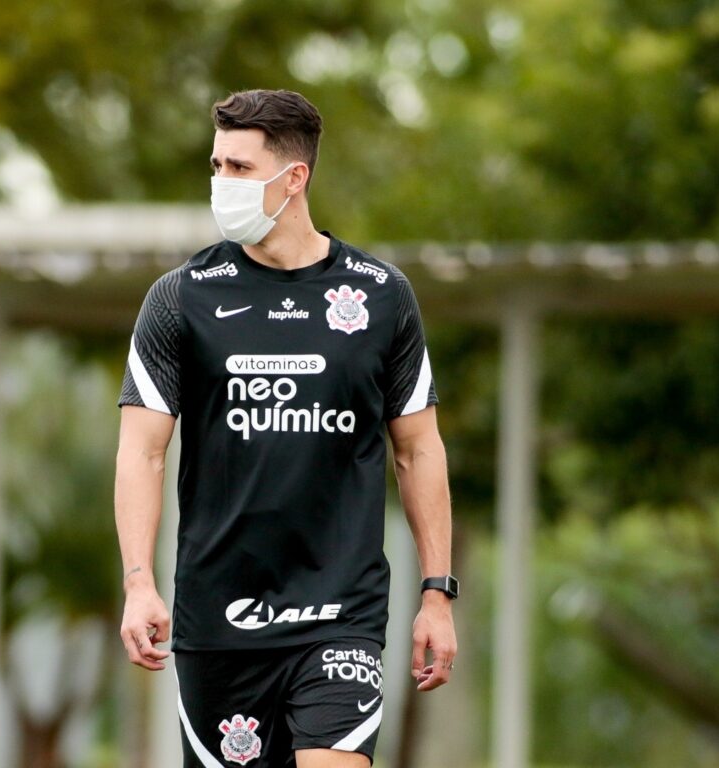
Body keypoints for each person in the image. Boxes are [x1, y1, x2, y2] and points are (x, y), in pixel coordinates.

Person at [114, 88, 457, 768]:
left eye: (239, 169)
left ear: (294, 177)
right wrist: (138, 583)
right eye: (216, 166)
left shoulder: (382, 294)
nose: (221, 184)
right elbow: (141, 453)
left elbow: (418, 450)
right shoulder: (180, 298)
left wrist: (436, 593)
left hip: (342, 613)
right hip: (218, 619)